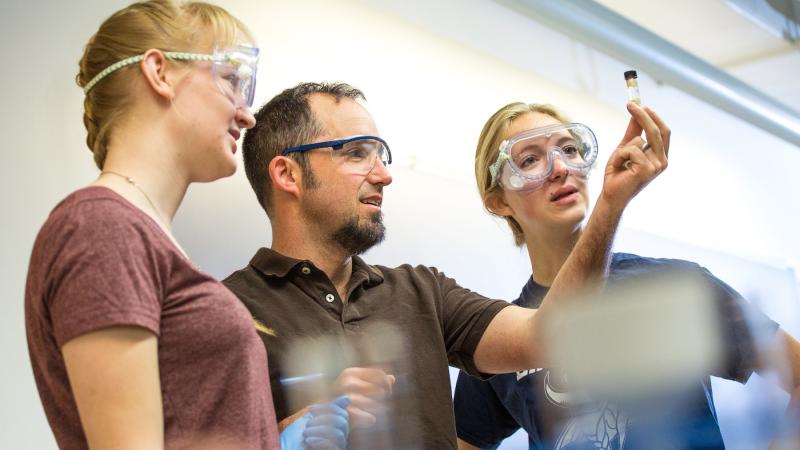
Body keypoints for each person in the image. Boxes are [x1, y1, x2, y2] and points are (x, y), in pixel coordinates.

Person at [222, 81, 669, 449]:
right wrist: (290, 437)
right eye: (356, 153)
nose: (383, 174)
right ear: (288, 175)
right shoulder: (224, 312)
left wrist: (611, 201)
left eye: (380, 154)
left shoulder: (423, 292)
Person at [25, 2, 347, 449]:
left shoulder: (140, 236)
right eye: (232, 80)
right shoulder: (102, 228)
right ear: (160, 72)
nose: (247, 114)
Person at [453, 102, 800, 449]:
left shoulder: (676, 287)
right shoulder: (502, 337)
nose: (559, 168)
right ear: (498, 201)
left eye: (569, 149)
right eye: (529, 160)